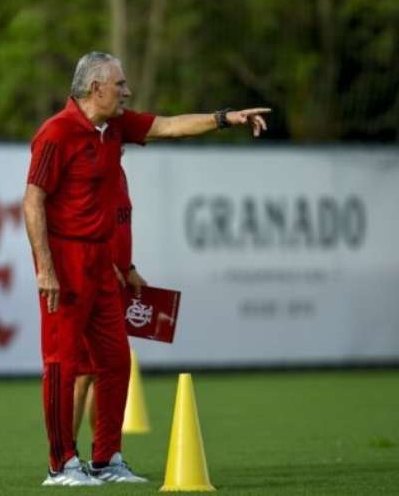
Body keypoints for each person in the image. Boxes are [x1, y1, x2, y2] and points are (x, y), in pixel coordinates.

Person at [23, 51, 269, 487]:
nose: (127, 91)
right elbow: (33, 200)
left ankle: (105, 460)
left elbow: (171, 126)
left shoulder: (115, 126)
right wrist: (45, 268)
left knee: (116, 361)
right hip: (66, 261)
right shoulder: (55, 133)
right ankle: (60, 465)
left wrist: (225, 117)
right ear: (95, 88)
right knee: (62, 364)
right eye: (120, 84)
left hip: (102, 263)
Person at [72, 160, 146, 462]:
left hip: (113, 280)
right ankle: (65, 458)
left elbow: (118, 227)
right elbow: (84, 226)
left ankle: (101, 454)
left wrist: (128, 268)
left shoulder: (117, 170)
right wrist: (107, 266)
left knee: (103, 370)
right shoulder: (93, 169)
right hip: (92, 280)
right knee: (83, 373)